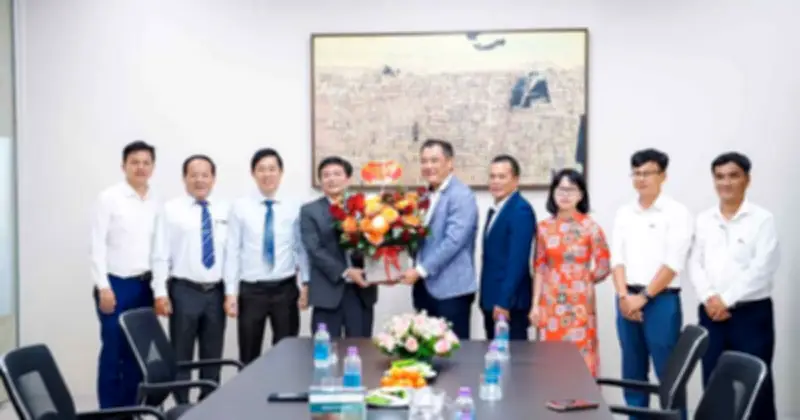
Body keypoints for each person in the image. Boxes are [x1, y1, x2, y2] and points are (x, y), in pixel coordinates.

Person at [689, 152, 779, 420]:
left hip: (751, 315)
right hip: (711, 313)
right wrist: (710, 297)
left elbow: (762, 268)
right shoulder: (704, 219)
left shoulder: (762, 220)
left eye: (733, 176)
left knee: (756, 384)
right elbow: (695, 263)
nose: (725, 183)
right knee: (715, 381)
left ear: (747, 180)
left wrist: (725, 300)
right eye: (719, 177)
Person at [611, 148, 693, 415]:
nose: (641, 178)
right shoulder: (624, 213)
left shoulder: (677, 212)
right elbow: (617, 259)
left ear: (663, 176)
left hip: (661, 301)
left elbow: (673, 263)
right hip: (626, 300)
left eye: (647, 173)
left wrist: (643, 297)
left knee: (668, 375)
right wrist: (624, 296)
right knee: (632, 373)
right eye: (636, 173)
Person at [151, 154, 228, 403]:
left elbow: (232, 255)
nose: (199, 180)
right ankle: (182, 406)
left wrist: (231, 292)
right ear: (184, 179)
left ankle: (209, 404)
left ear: (213, 178)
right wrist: (160, 292)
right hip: (184, 290)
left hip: (216, 292)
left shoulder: (225, 209)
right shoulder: (170, 210)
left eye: (205, 175)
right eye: (193, 175)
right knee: (181, 355)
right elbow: (160, 254)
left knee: (212, 355)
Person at [89, 140, 158, 408]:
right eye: (134, 162)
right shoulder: (109, 198)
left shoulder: (156, 201)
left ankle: (131, 409)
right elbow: (96, 244)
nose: (140, 167)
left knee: (138, 352)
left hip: (146, 286)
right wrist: (103, 286)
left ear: (152, 167)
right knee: (113, 351)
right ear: (124, 166)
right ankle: (109, 411)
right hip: (116, 285)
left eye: (146, 162)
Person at [224, 148, 308, 365]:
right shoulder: (240, 207)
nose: (267, 174)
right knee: (249, 354)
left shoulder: (295, 206)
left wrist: (304, 285)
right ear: (253, 173)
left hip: (285, 288)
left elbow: (300, 249)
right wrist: (231, 293)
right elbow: (232, 250)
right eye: (261, 169)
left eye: (272, 169)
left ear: (281, 172)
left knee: (287, 354)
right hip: (252, 291)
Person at [530, 169, 609, 376]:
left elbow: (604, 265)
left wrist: (584, 281)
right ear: (553, 193)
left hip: (579, 304)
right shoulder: (543, 228)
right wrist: (535, 305)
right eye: (560, 190)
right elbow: (539, 267)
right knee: (550, 359)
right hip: (550, 303)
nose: (565, 195)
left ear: (581, 195)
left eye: (571, 190)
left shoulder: (590, 227)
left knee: (579, 359)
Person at [400, 139, 479, 339]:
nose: (428, 166)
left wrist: (419, 271)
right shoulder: (423, 196)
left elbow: (453, 242)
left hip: (451, 291)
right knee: (424, 349)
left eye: (434, 160)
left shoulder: (461, 195)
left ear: (450, 163)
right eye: (424, 161)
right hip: (423, 289)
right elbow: (418, 240)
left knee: (454, 351)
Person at [300, 156, 377, 337]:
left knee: (359, 347)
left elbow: (375, 240)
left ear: (347, 178)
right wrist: (346, 272)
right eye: (326, 175)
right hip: (327, 291)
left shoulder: (365, 208)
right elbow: (314, 249)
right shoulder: (310, 211)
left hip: (360, 291)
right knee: (325, 348)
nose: (331, 179)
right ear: (320, 181)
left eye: (337, 174)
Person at [479, 154, 535, 340]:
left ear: (516, 180)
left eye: (502, 177)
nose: (496, 181)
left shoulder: (520, 210)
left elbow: (517, 261)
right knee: (493, 355)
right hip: (492, 300)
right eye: (492, 176)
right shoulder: (497, 208)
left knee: (513, 356)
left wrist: (504, 301)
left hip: (509, 305)